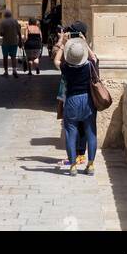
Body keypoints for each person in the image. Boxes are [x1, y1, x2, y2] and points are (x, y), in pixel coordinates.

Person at [53, 23, 99, 174]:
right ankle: (90, 165)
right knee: (91, 132)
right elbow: (94, 57)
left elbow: (56, 61)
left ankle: (73, 166)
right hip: (87, 100)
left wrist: (63, 44)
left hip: (72, 101)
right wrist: (84, 42)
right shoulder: (89, 66)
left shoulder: (67, 67)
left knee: (70, 133)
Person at [0, 8, 22, 77]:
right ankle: (14, 70)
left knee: (5, 57)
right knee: (13, 57)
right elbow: (19, 32)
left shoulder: (3, 22)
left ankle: (6, 72)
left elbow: (1, 34)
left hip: (6, 42)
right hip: (14, 42)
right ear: (11, 15)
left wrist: (4, 33)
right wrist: (20, 41)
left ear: (5, 15)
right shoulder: (15, 21)